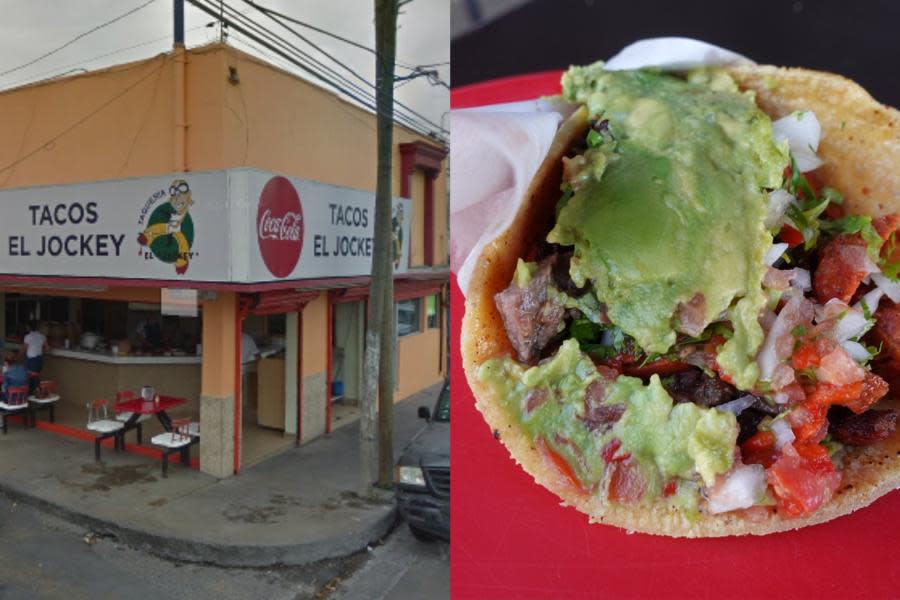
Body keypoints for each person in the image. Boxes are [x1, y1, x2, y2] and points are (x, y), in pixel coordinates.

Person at [23, 321, 47, 388]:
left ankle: (33, 394)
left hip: (31, 360)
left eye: (27, 326)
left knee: (30, 378)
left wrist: (17, 357)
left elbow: (24, 349)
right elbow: (48, 348)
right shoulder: (42, 336)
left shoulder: (28, 337)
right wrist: (40, 351)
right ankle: (36, 393)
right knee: (36, 377)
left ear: (29, 327)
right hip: (39, 359)